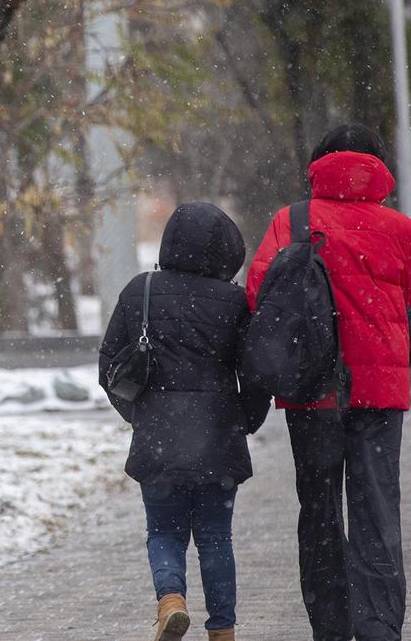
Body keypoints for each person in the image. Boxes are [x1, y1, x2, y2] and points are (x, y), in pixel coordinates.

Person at [246, 124, 411, 641]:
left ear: (317, 166)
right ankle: (380, 626)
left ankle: (331, 626)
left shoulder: (290, 221)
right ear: (378, 167)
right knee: (377, 507)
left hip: (311, 389)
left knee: (318, 510)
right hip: (381, 394)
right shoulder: (400, 229)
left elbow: (260, 297)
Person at [100, 203, 271, 641]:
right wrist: (245, 421)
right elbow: (254, 371)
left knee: (163, 531)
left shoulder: (141, 291)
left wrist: (140, 416)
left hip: (158, 440)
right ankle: (223, 632)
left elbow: (110, 366)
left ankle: (171, 600)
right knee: (216, 539)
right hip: (217, 438)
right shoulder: (235, 302)